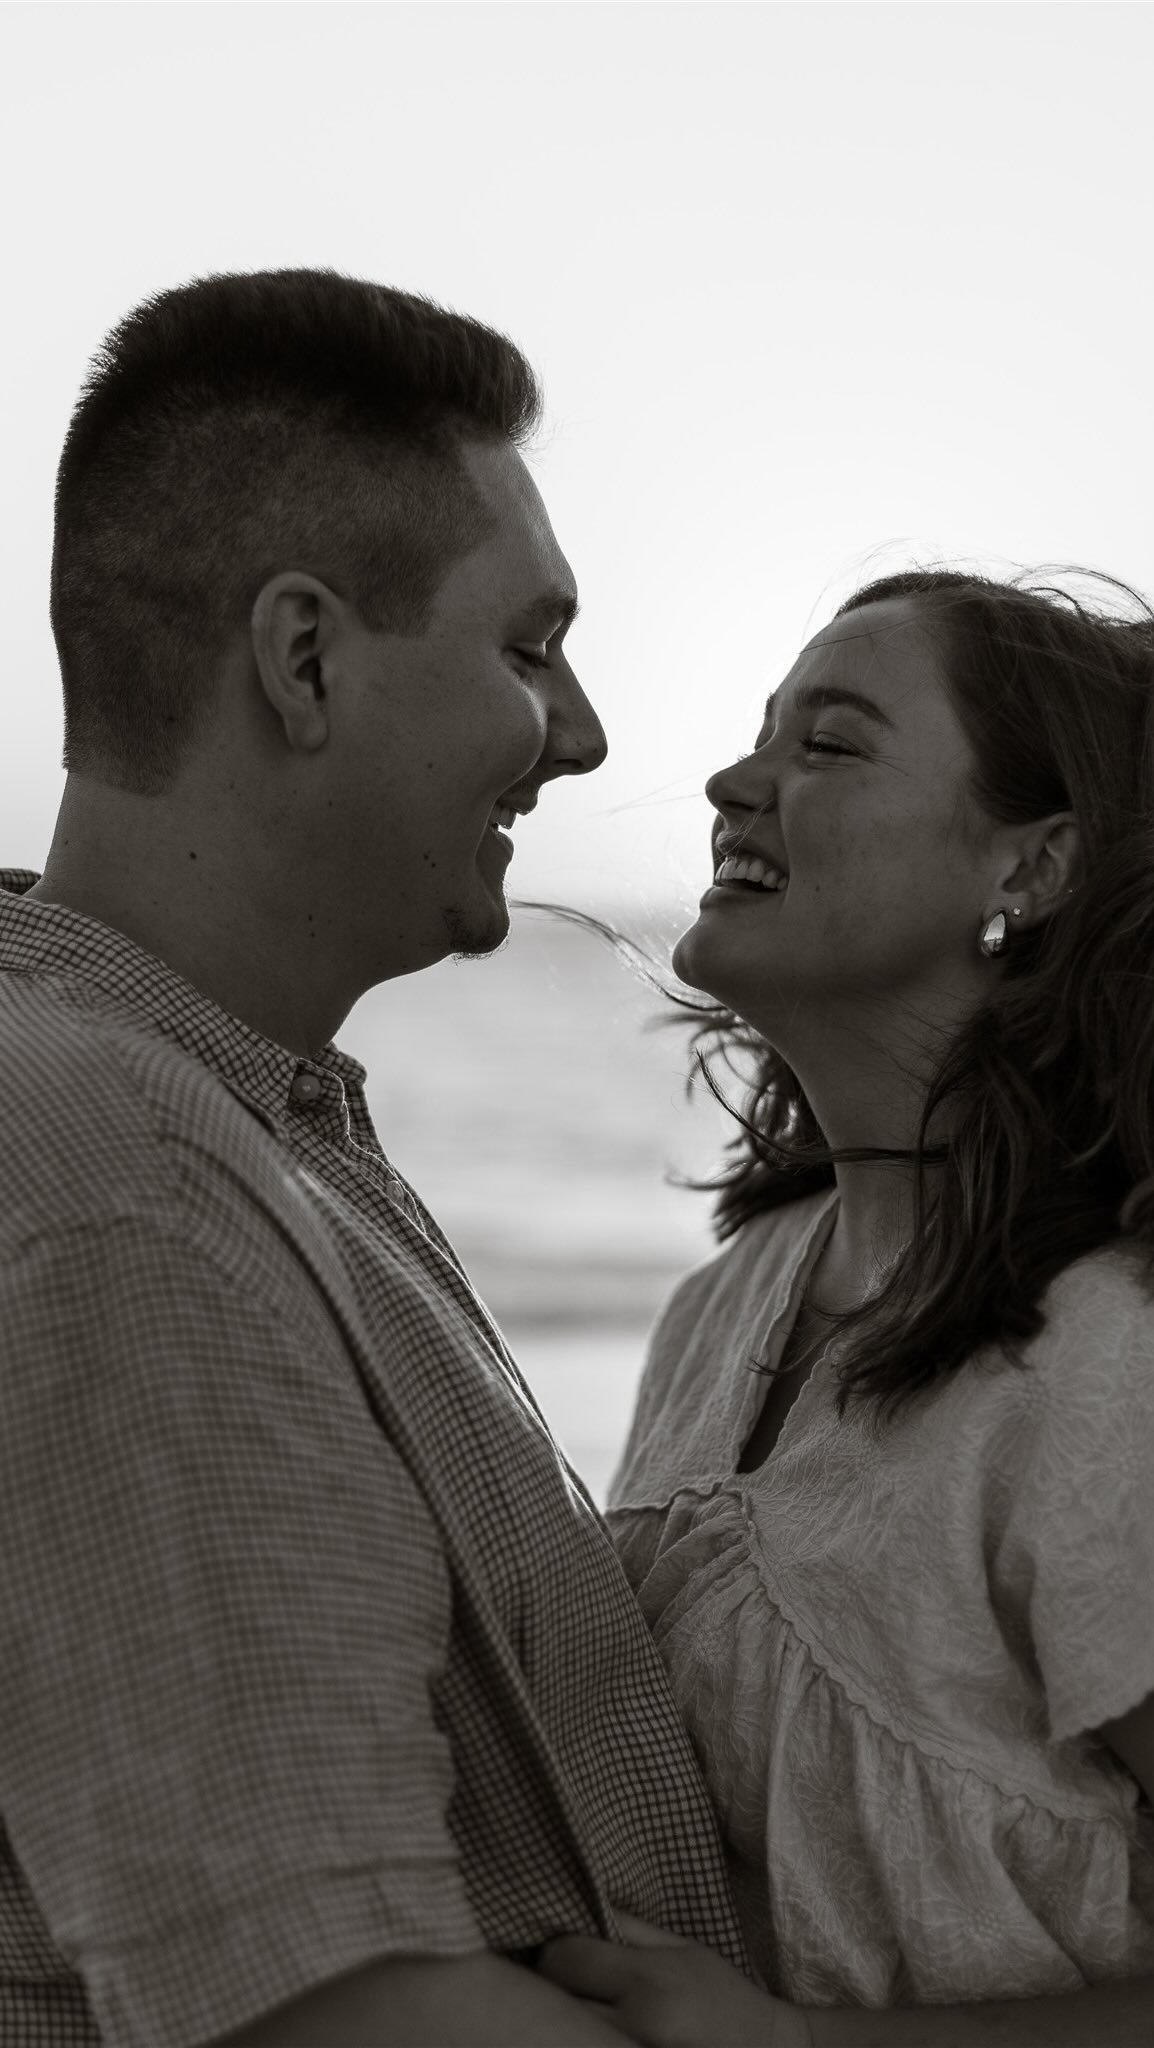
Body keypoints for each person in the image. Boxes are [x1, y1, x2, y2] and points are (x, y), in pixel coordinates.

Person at [0, 269, 750, 2048]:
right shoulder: (128, 1188)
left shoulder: (228, 1121)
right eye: (528, 648)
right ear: (306, 660)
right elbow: (341, 2010)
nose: (581, 734)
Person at [539, 570, 1154, 2044]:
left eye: (826, 744)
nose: (731, 783)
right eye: (761, 732)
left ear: (1032, 867)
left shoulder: (1102, 1369)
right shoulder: (725, 1302)